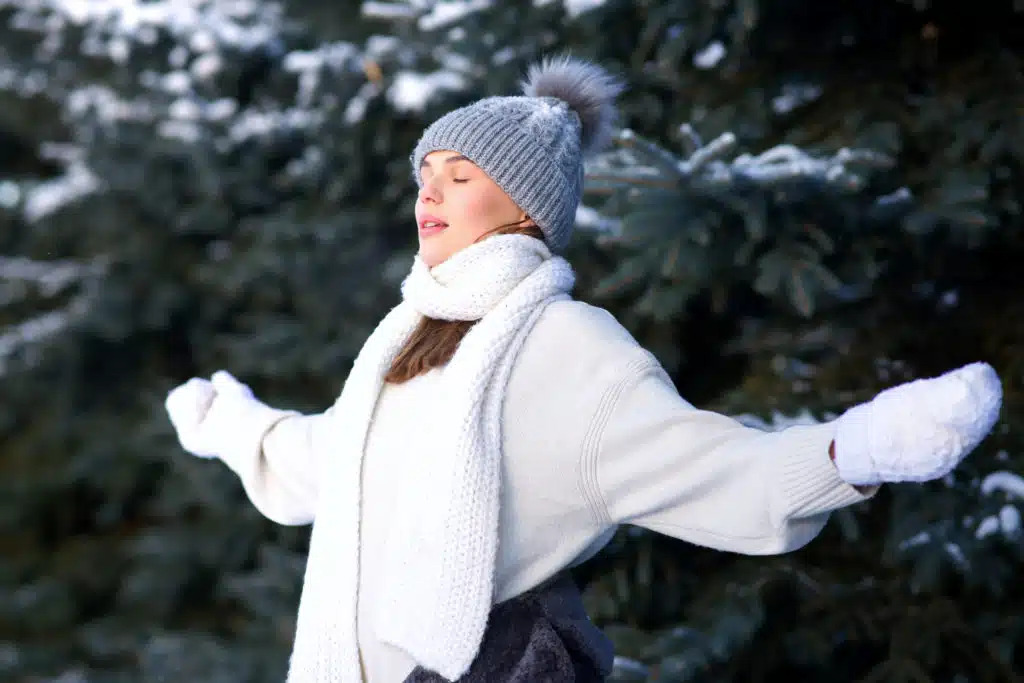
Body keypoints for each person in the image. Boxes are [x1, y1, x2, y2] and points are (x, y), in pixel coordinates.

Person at [164, 56, 1004, 683]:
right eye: (426, 176)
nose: (431, 193)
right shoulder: (405, 342)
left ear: (526, 206)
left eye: (461, 176)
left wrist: (857, 448)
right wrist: (231, 424)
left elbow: (717, 471)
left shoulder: (570, 348)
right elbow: (334, 463)